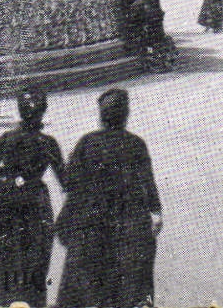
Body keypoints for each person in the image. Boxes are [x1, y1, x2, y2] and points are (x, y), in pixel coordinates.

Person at [55, 88, 162, 308]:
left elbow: (70, 183)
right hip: (128, 221)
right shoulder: (136, 144)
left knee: (86, 283)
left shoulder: (87, 142)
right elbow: (147, 182)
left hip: (91, 220)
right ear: (126, 115)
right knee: (129, 285)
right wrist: (156, 211)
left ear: (101, 115)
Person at [0, 88, 66, 307]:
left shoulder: (6, 138)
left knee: (6, 249)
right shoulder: (48, 142)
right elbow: (65, 179)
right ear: (44, 111)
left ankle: (4, 298)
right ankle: (33, 298)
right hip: (36, 201)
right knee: (37, 251)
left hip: (8, 200)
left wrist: (11, 175)